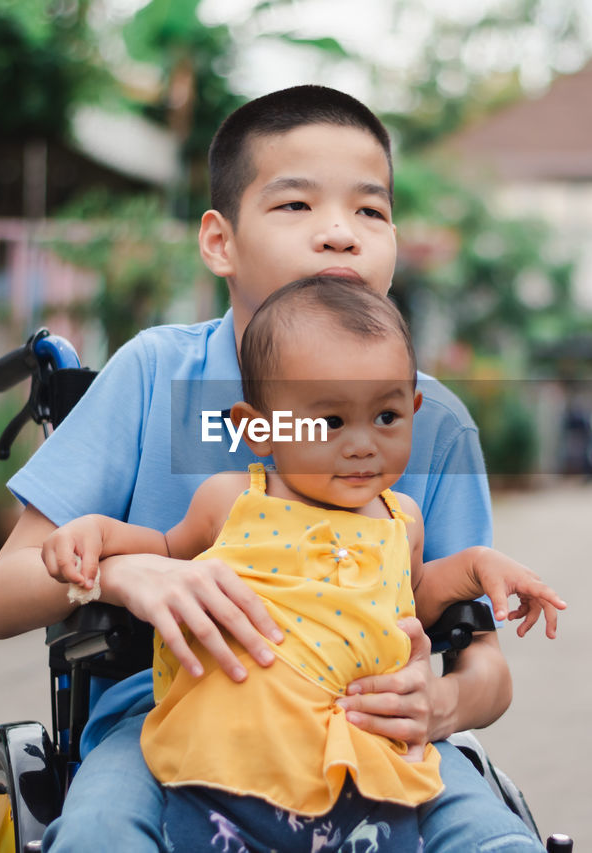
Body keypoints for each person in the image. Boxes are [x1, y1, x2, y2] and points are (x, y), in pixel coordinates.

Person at [0, 84, 546, 852]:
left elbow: (485, 666)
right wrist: (123, 574)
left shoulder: (429, 420)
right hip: (164, 725)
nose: (340, 233)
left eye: (369, 211)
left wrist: (440, 704)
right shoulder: (157, 377)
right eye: (296, 206)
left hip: (369, 730)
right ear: (220, 241)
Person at [39, 278, 564, 851]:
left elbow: (412, 595)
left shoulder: (402, 519)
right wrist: (95, 532)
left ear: (414, 409)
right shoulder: (230, 500)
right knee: (96, 831)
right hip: (219, 727)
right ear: (257, 428)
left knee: (496, 839)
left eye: (386, 417)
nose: (362, 443)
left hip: (363, 736)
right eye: (331, 422)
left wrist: (476, 566)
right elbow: (162, 552)